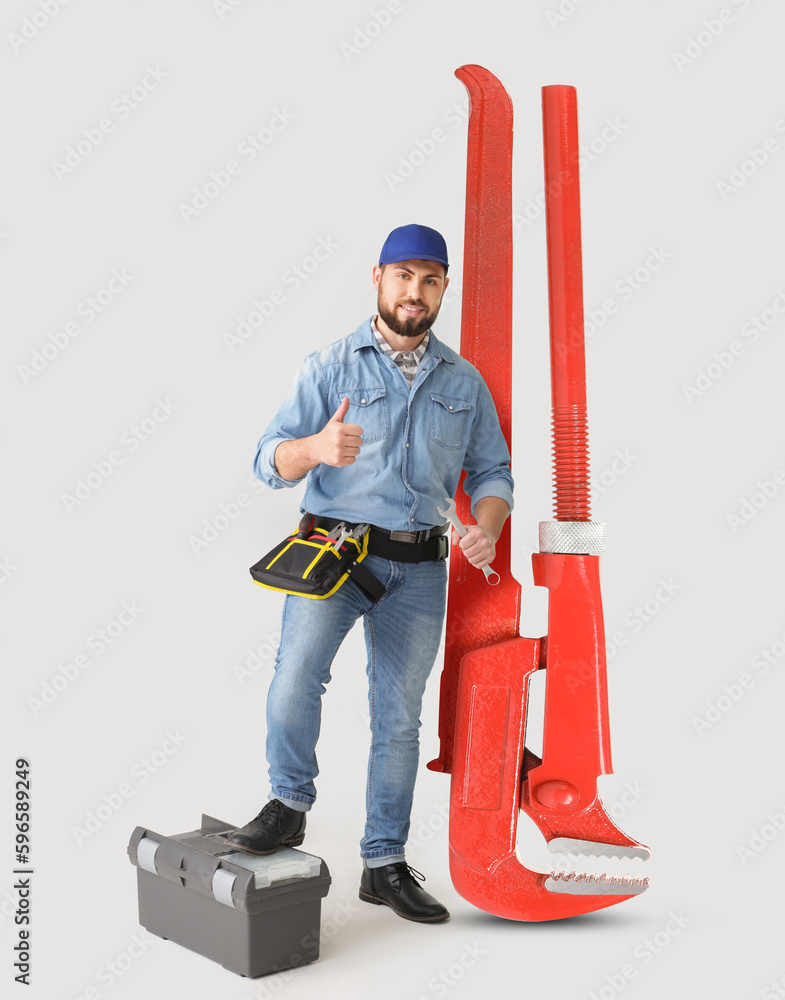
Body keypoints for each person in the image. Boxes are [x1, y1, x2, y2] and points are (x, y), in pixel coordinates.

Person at [226, 224, 513, 923]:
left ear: (441, 288)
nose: (414, 292)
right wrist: (315, 447)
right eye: (403, 277)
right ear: (378, 279)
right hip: (333, 557)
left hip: (419, 570)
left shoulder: (463, 382)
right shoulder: (328, 367)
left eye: (430, 280)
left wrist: (488, 526)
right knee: (296, 676)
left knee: (399, 719)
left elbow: (495, 471)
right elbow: (268, 461)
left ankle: (382, 862)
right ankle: (289, 805)